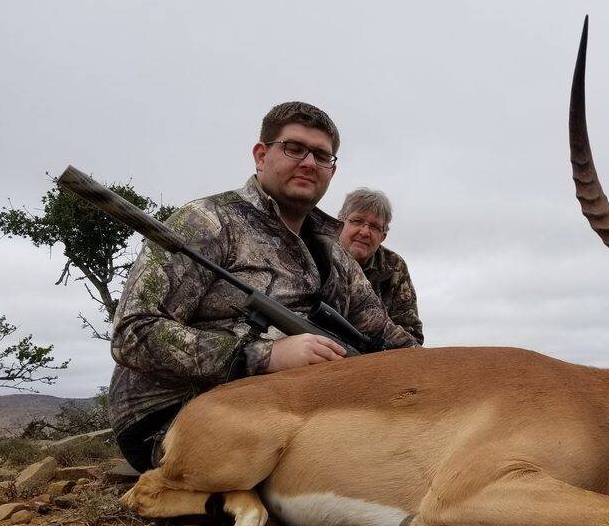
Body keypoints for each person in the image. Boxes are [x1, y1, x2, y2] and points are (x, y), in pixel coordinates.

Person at [108, 102, 419, 472]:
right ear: (261, 154)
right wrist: (264, 356)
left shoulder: (333, 251)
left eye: (322, 156)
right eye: (294, 148)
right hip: (176, 418)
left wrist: (443, 377)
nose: (308, 163)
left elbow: (386, 335)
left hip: (294, 407)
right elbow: (133, 332)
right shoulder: (208, 222)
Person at [318, 188, 424, 344]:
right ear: (340, 223)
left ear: (383, 237)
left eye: (374, 227)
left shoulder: (394, 266)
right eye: (357, 221)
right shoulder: (318, 251)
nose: (365, 232)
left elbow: (411, 332)